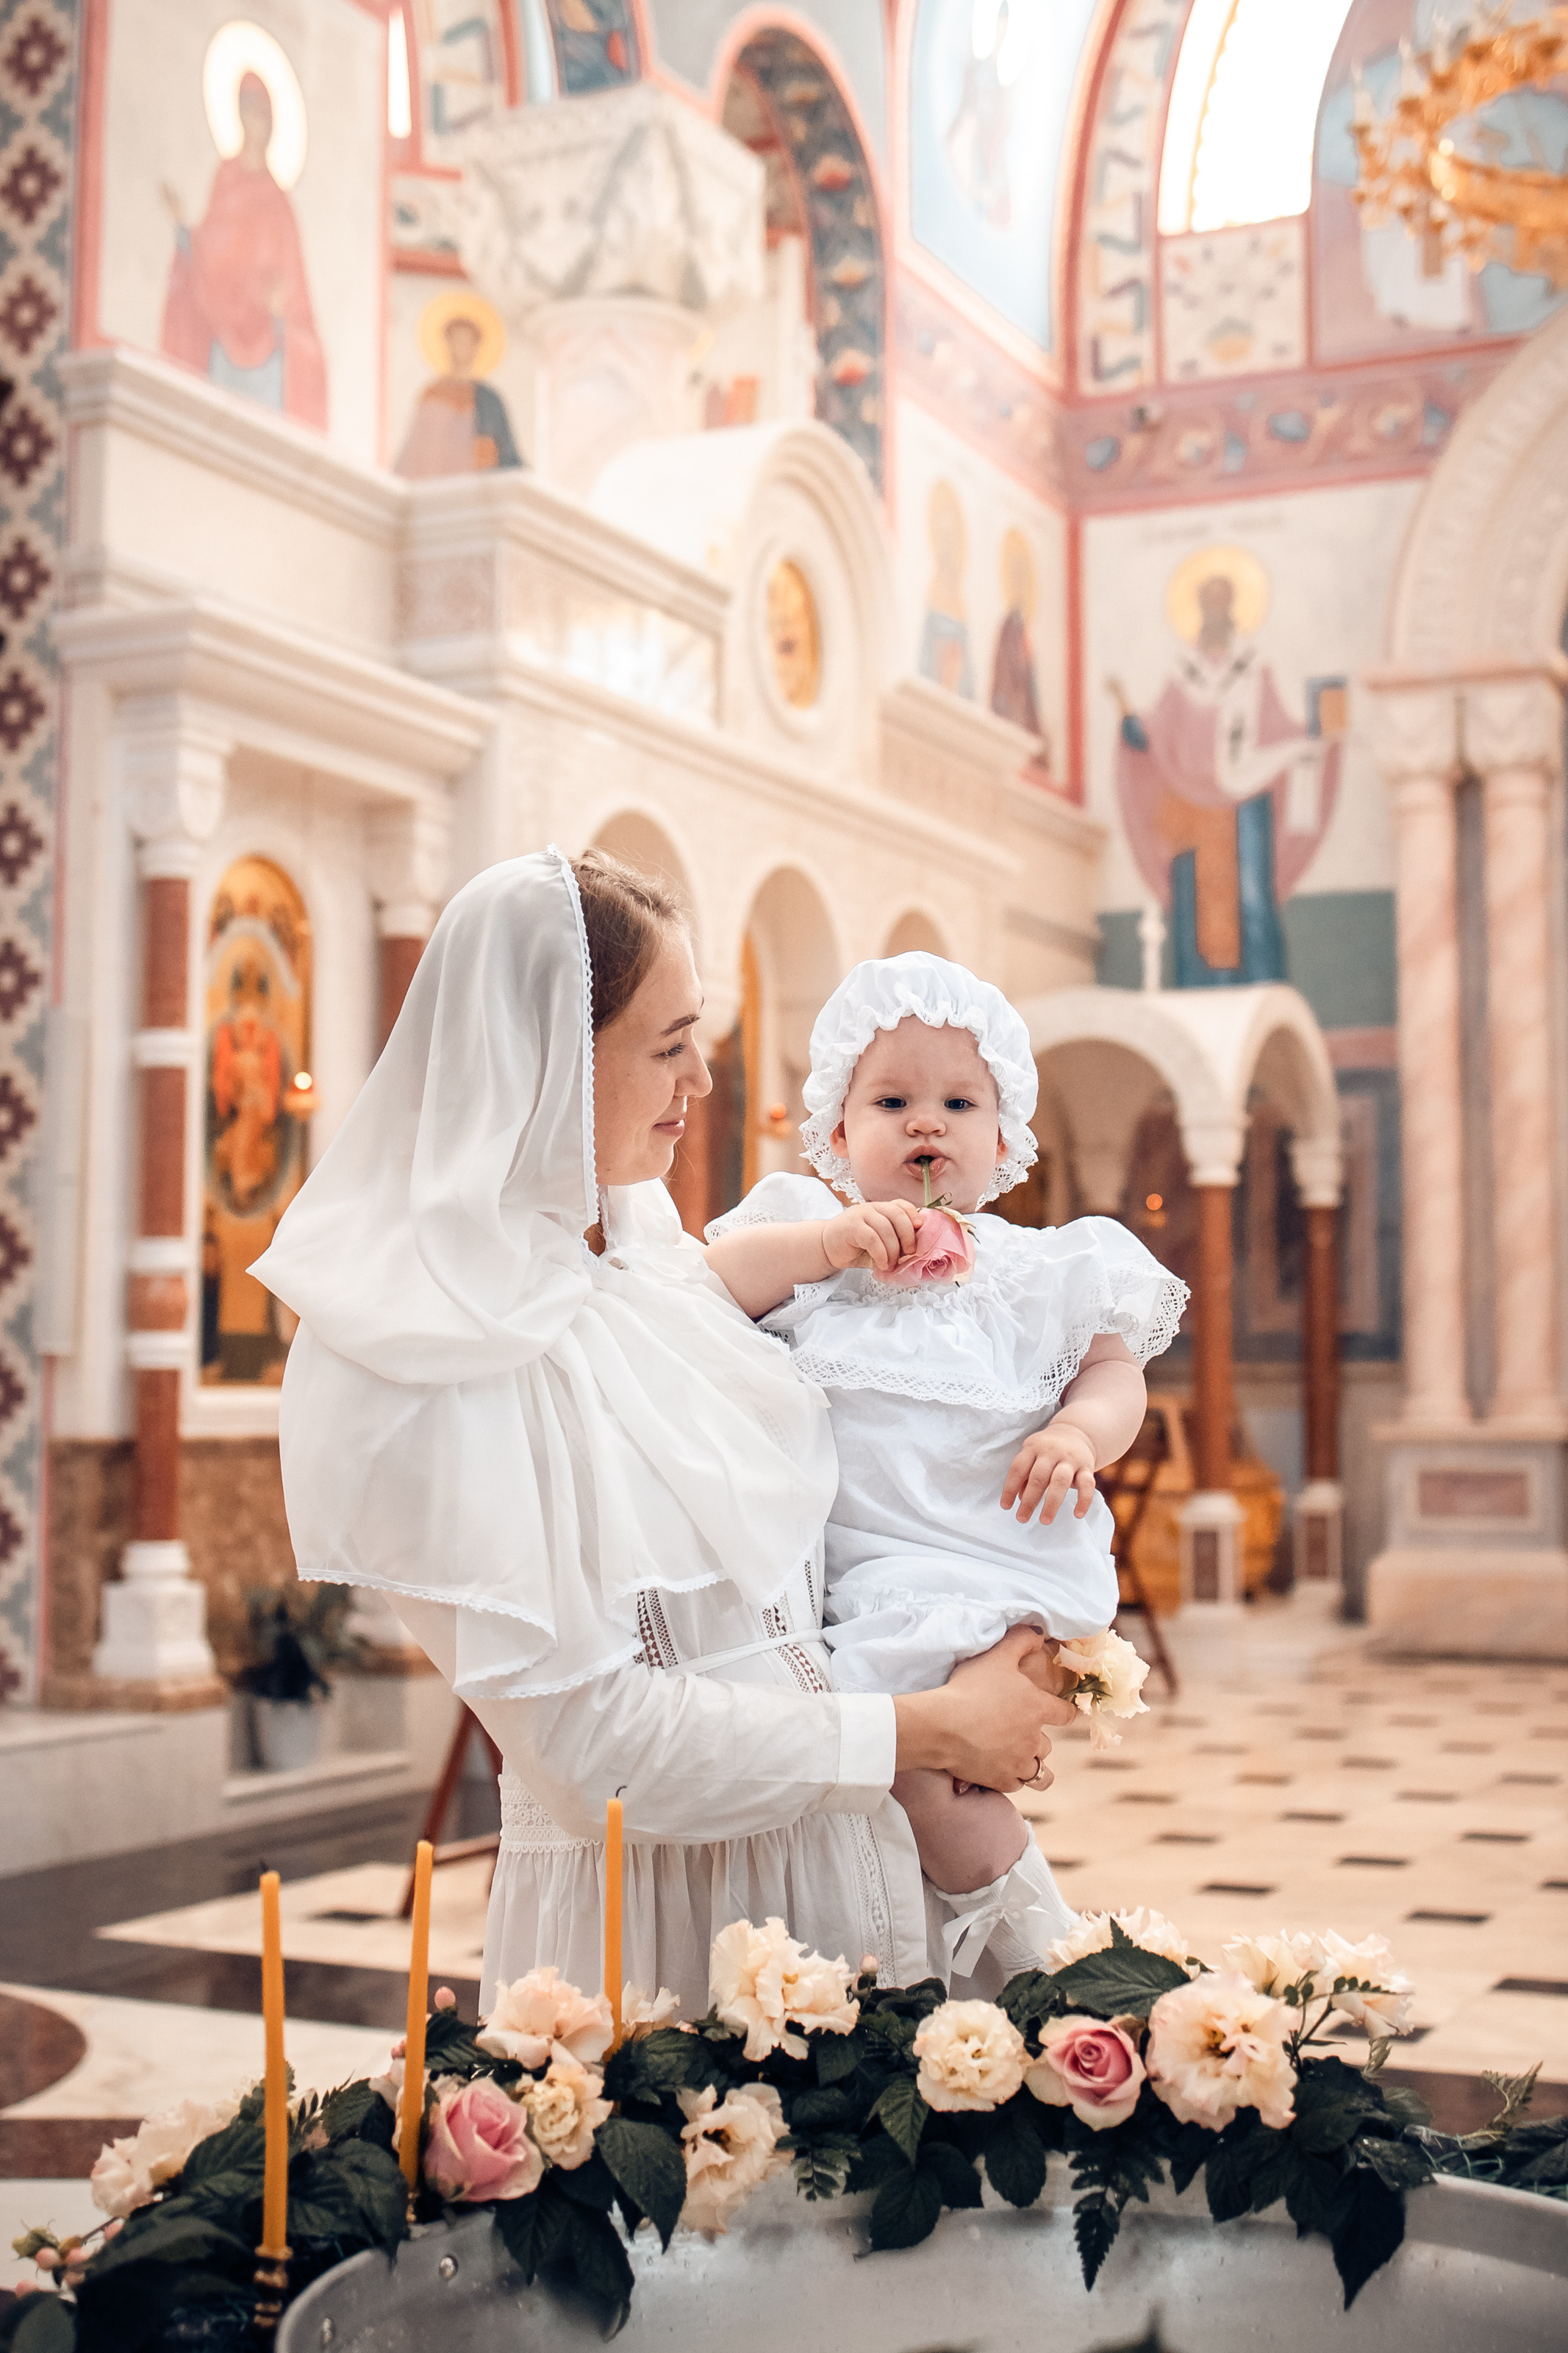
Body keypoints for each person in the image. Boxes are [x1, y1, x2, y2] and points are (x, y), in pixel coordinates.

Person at [252, 854, 1078, 2010]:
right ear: (548, 1054)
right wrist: (923, 1729)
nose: (703, 1076)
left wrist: (990, 1639)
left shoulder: (662, 1271)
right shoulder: (418, 1347)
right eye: (669, 1043)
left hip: (858, 1867)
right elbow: (591, 1749)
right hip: (661, 1935)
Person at [704, 954, 1187, 1974]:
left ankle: (1039, 1963)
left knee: (943, 1781)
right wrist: (826, 1243)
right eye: (891, 1102)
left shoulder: (1043, 1267)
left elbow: (1114, 1373)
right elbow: (712, 1285)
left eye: (960, 1103)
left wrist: (1077, 1434)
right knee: (914, 1774)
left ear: (1004, 1137)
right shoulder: (813, 1245)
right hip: (869, 1575)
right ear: (839, 1134)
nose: (926, 1122)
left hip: (996, 1562)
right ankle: (995, 1964)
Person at [160, 71, 327, 430]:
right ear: (239, 118)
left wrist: (282, 310)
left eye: (264, 115)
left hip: (268, 349)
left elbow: (294, 283)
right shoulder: (226, 182)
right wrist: (182, 231)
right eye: (250, 113)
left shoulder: (279, 204)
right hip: (223, 340)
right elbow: (208, 252)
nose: (257, 125)